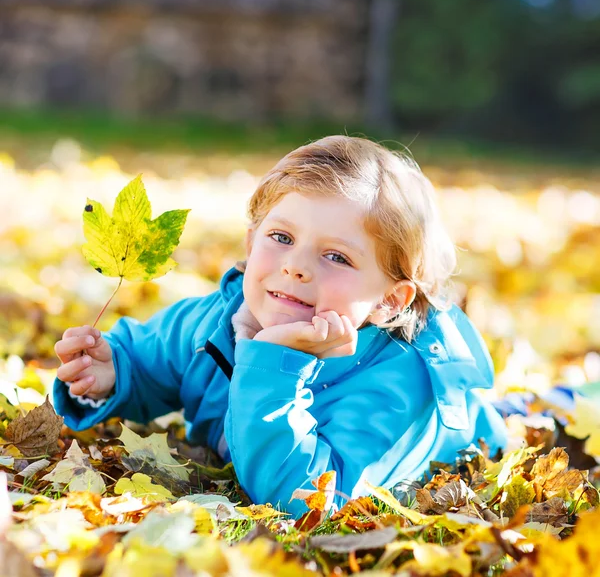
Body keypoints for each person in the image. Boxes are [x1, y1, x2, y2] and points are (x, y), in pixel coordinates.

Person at [53, 136, 508, 516]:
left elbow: (306, 500)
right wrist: (111, 372)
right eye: (282, 238)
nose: (295, 267)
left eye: (337, 257)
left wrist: (274, 365)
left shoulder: (395, 386)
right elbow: (149, 359)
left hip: (468, 434)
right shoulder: (218, 318)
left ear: (388, 300)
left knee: (515, 416)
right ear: (252, 243)